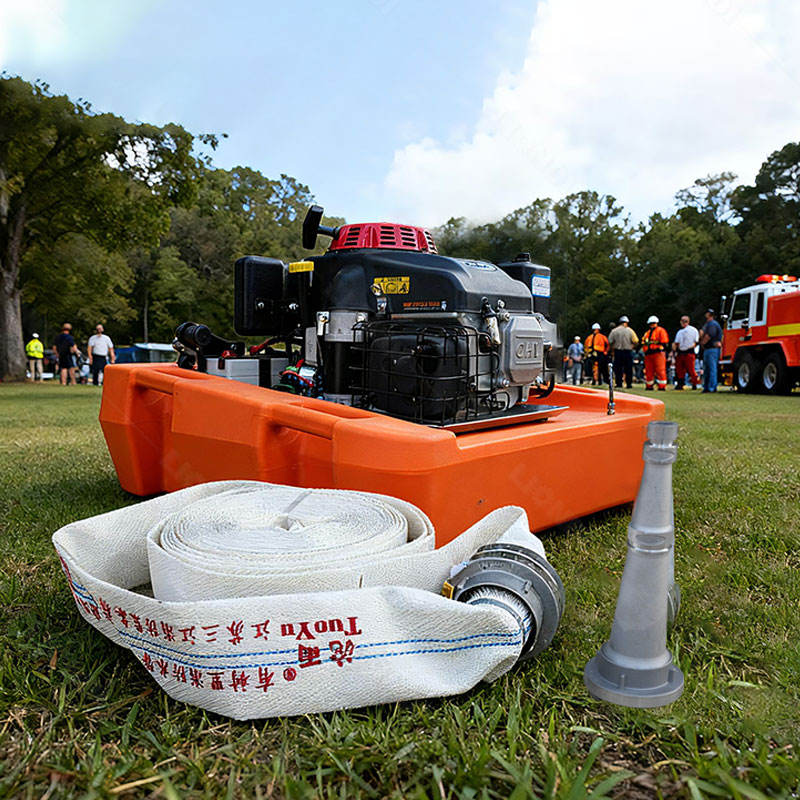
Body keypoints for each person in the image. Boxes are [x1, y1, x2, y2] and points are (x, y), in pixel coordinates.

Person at [608, 315, 638, 389]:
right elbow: (636, 341)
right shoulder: (630, 331)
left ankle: (619, 383)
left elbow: (610, 341)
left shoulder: (614, 331)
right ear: (626, 322)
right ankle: (629, 384)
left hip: (618, 352)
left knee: (618, 369)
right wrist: (632, 346)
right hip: (628, 351)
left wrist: (612, 349)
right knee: (628, 369)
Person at [640, 315, 669, 391]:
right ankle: (649, 385)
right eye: (651, 324)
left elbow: (664, 342)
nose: (652, 325)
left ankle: (662, 386)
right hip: (648, 354)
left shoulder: (661, 331)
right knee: (649, 370)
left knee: (660, 370)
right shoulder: (647, 333)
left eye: (653, 323)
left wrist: (660, 348)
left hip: (658, 353)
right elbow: (643, 342)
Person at [672, 315, 699, 389]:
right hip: (687, 352)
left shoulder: (681, 332)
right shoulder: (693, 330)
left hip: (685, 352)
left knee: (684, 369)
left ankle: (683, 383)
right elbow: (696, 342)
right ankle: (693, 384)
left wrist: (674, 352)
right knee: (686, 369)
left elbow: (676, 343)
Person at [700, 308, 723, 393]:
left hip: (712, 349)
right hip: (709, 349)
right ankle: (707, 387)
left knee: (711, 368)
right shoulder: (708, 324)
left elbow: (709, 335)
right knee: (707, 369)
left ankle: (711, 387)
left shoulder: (712, 324)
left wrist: (702, 343)